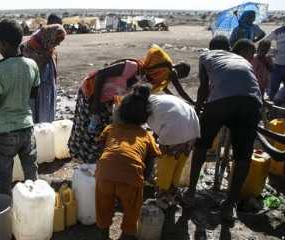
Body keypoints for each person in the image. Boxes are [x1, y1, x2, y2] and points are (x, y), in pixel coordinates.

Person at [68, 44, 192, 163]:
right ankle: (83, 158)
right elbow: (101, 74)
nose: (152, 80)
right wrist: (95, 102)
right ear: (153, 68)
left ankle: (95, 161)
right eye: (154, 75)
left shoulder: (144, 76)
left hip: (107, 99)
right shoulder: (131, 66)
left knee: (102, 130)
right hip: (91, 93)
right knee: (86, 127)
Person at [183, 37, 262, 222]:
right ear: (229, 49)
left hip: (222, 102)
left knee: (202, 145)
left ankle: (191, 192)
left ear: (211, 48)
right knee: (243, 156)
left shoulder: (206, 55)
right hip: (251, 103)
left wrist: (198, 109)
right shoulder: (241, 59)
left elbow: (204, 87)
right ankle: (229, 205)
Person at [96, 84, 161, 240]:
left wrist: (103, 169)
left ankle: (103, 235)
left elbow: (101, 149)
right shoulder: (146, 136)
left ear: (121, 111)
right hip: (131, 176)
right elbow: (151, 161)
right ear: (146, 116)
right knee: (132, 210)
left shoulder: (110, 129)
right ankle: (127, 235)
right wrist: (143, 180)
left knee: (104, 206)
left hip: (105, 173)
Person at [0, 20, 40, 195]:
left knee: (4, 175)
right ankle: (35, 200)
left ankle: (6, 209)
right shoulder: (32, 65)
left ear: (2, 43)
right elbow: (33, 94)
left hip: (5, 130)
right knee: (31, 171)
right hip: (27, 127)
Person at [146, 94, 200, 209]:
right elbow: (163, 120)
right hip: (193, 126)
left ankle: (162, 198)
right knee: (178, 164)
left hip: (175, 130)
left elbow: (158, 128)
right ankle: (172, 193)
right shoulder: (159, 98)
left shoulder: (147, 108)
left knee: (166, 165)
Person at [22, 22, 66, 123]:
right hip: (35, 90)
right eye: (57, 40)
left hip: (48, 89)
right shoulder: (30, 48)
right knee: (36, 117)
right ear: (51, 36)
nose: (58, 44)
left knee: (46, 120)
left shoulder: (50, 49)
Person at [265, 25, 285, 105]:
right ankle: (272, 110)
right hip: (277, 66)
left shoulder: (279, 30)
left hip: (277, 66)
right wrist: (272, 51)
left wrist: (272, 51)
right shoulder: (278, 30)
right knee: (273, 90)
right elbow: (265, 42)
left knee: (275, 90)